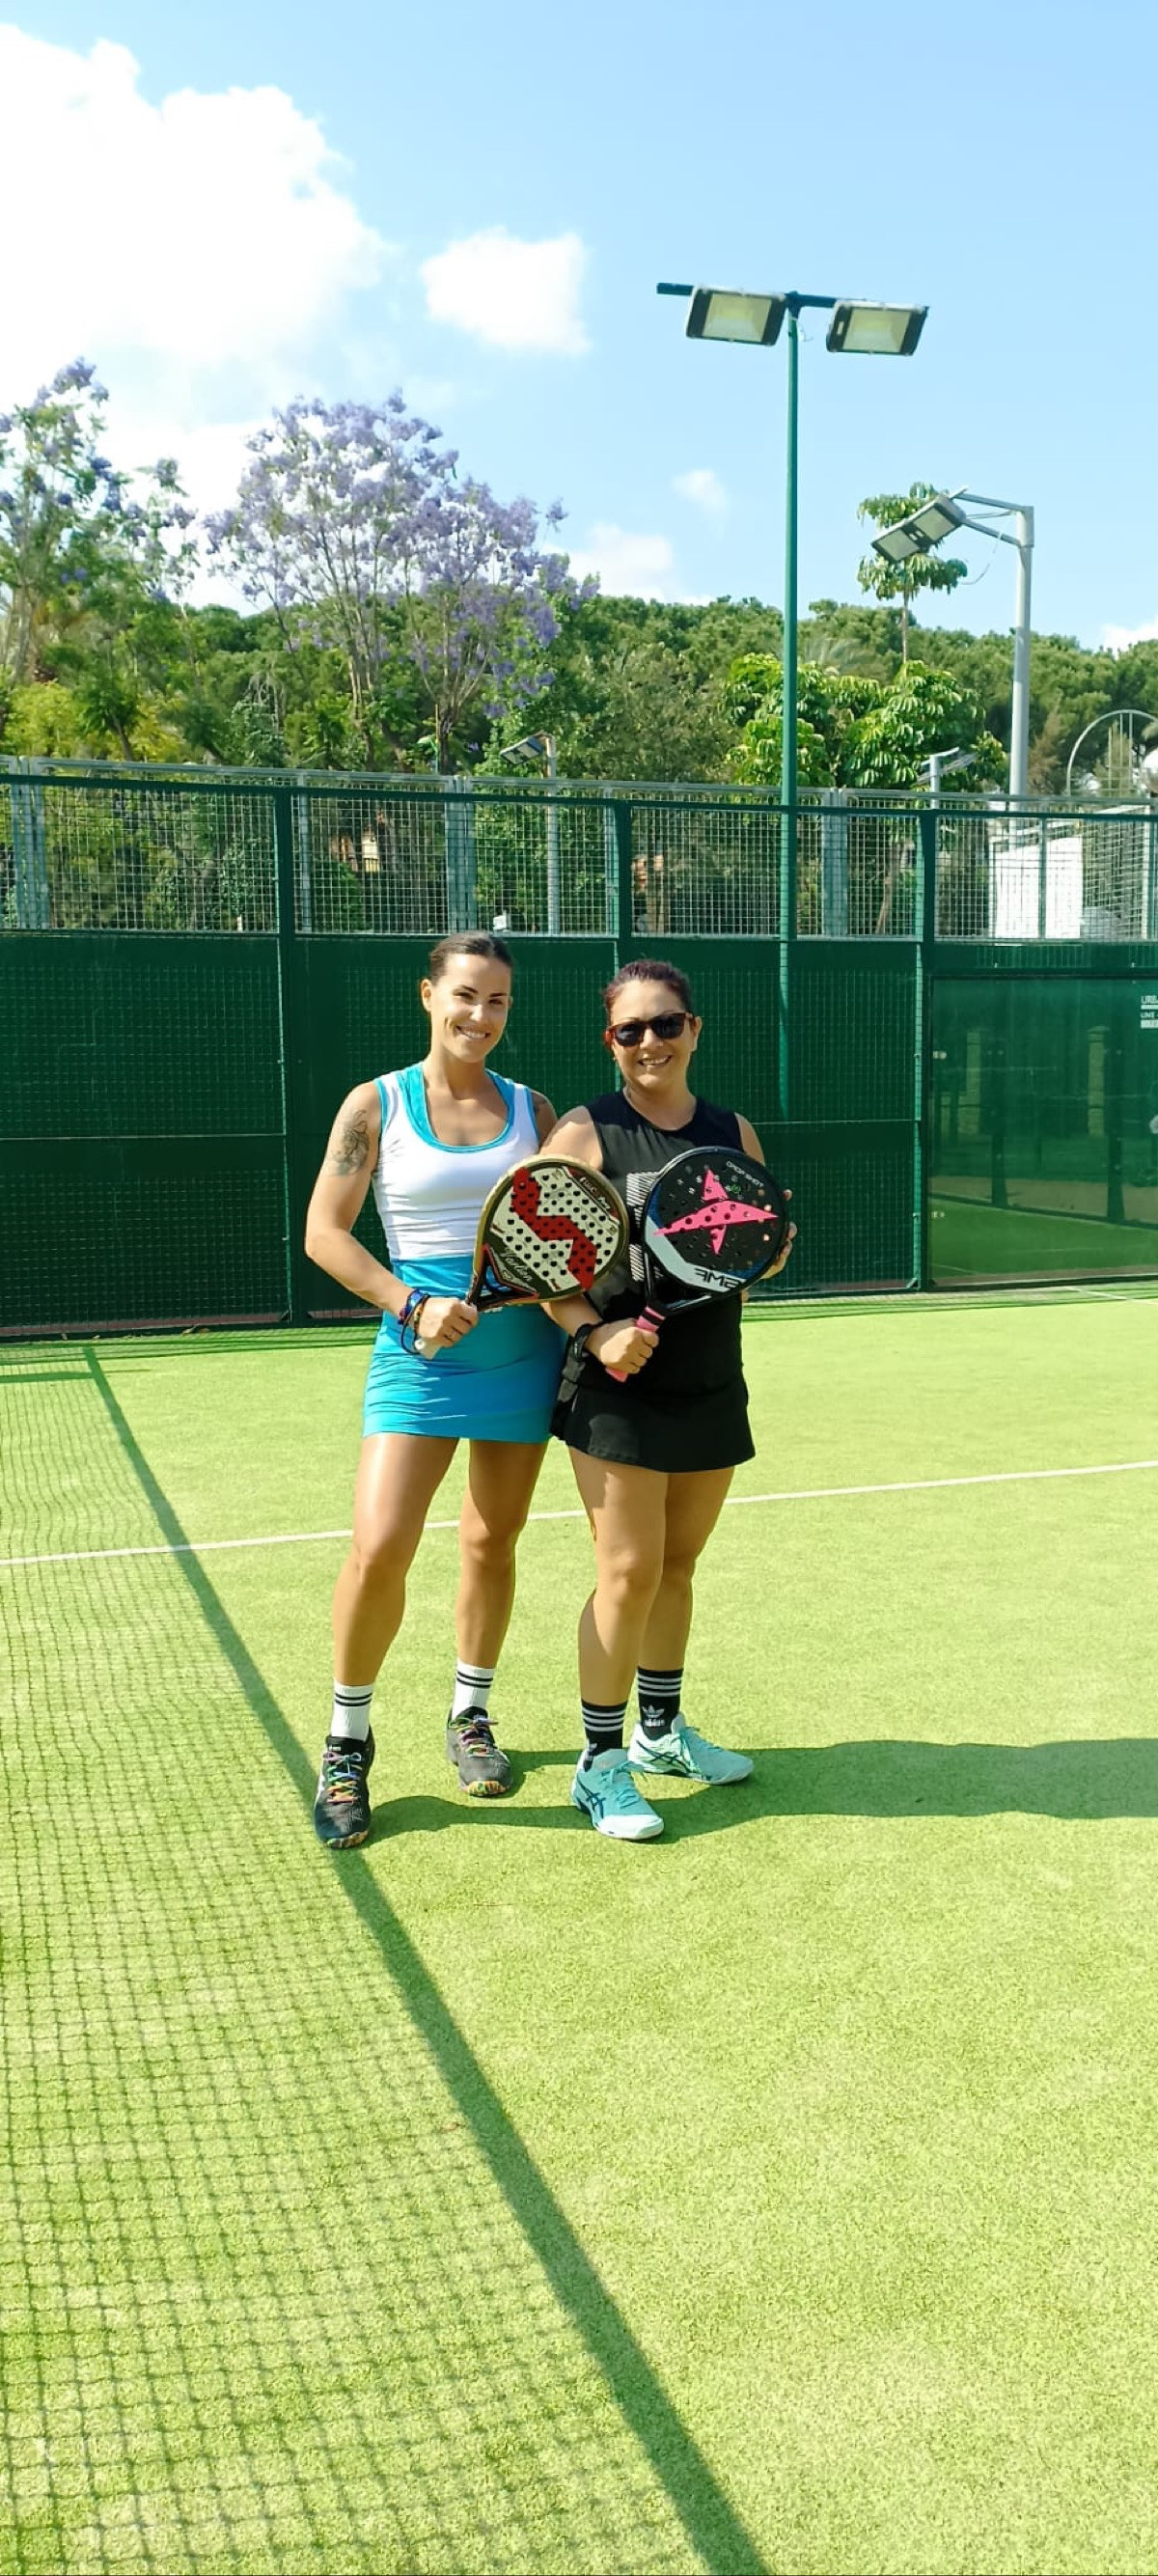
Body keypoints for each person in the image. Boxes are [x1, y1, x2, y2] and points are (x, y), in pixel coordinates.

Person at [303, 932, 561, 1848]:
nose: (479, 1015)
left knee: (491, 1542)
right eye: (464, 995)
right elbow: (325, 1233)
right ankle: (347, 1741)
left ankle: (471, 1714)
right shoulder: (374, 1104)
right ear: (428, 995)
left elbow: (561, 1225)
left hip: (521, 1354)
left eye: (497, 1001)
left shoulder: (534, 1110)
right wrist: (409, 1302)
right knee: (379, 1547)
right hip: (415, 1353)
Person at [544, 958, 795, 1842]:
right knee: (627, 1571)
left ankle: (659, 1732)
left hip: (709, 1378)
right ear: (609, 1042)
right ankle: (598, 1762)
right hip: (615, 1386)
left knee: (677, 1567)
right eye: (630, 1030)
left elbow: (744, 1251)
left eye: (665, 1024)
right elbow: (538, 1255)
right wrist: (594, 1332)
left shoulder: (732, 1131)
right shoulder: (586, 1132)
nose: (649, 1041)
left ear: (694, 1029)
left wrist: (766, 1252)